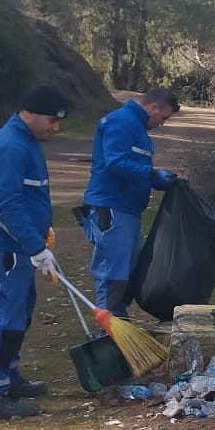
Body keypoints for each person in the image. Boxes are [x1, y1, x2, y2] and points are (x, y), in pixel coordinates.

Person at [0, 84, 70, 420]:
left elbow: (30, 199)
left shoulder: (26, 141)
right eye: (51, 121)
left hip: (21, 246)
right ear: (29, 113)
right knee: (1, 320)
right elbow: (8, 203)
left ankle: (9, 378)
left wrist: (42, 234)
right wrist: (34, 246)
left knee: (19, 316)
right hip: (5, 248)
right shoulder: (11, 146)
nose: (55, 128)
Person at [80, 87, 180, 315]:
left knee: (125, 272)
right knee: (113, 273)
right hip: (112, 208)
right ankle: (110, 332)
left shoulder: (137, 128)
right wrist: (151, 174)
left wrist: (155, 181)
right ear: (153, 106)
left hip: (128, 210)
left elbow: (132, 166)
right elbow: (115, 162)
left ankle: (118, 322)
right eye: (163, 117)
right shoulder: (122, 122)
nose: (162, 123)